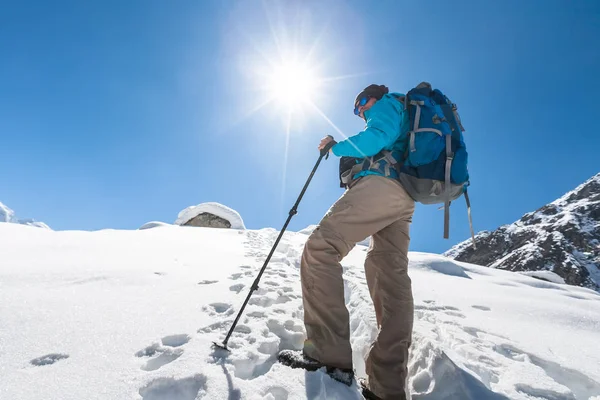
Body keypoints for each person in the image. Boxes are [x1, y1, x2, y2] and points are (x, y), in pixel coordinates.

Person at [278, 84, 415, 400]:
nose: (361, 112)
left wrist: (335, 147)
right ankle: (387, 387)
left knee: (320, 249)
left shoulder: (387, 105)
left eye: (361, 104)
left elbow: (376, 138)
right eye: (357, 110)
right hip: (404, 197)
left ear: (374, 97)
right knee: (389, 275)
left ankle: (329, 357)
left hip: (381, 186)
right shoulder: (409, 119)